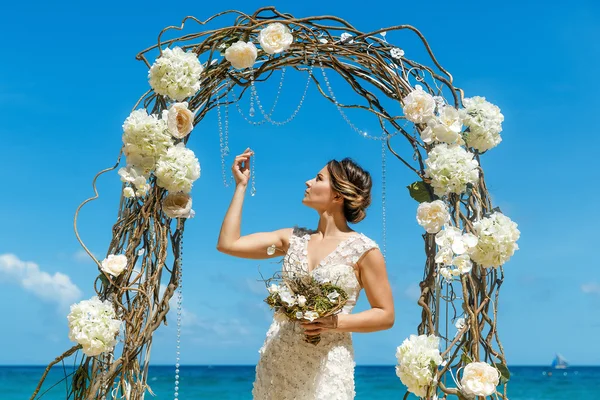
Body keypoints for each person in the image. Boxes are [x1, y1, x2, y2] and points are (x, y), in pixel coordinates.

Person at [216, 148, 395, 400]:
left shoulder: (364, 250)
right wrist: (241, 186)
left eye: (319, 178)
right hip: (279, 360)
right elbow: (228, 243)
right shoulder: (291, 240)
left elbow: (385, 315)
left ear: (338, 195)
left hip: (328, 365)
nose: (308, 182)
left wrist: (334, 323)